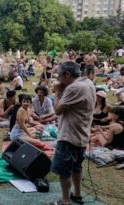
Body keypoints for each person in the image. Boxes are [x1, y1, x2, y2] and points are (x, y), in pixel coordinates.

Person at [48, 61, 96, 205]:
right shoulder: (88, 83)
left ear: (67, 74)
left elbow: (57, 110)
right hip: (82, 134)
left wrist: (57, 91)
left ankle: (65, 200)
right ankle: (78, 195)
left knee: (64, 171)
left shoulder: (73, 88)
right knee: (77, 167)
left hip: (68, 136)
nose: (59, 79)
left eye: (60, 76)